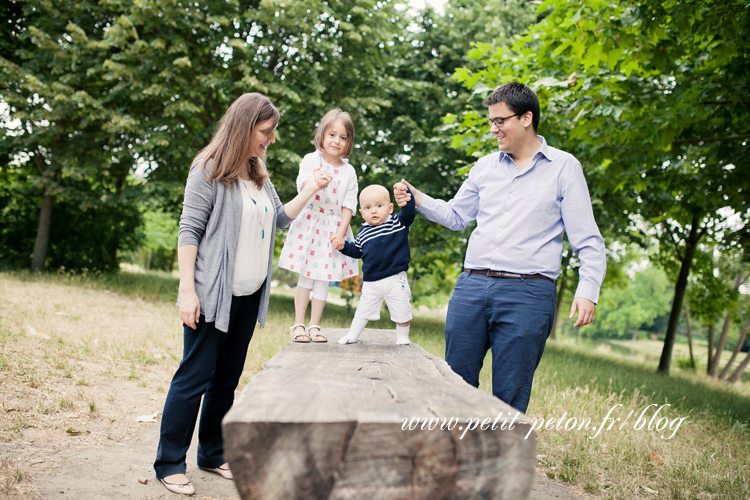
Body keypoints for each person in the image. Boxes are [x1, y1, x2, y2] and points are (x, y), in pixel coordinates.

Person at [154, 93, 332, 496]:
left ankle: (212, 453)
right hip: (213, 295)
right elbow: (189, 231)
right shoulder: (209, 170)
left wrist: (309, 190)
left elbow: (281, 218)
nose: (270, 140)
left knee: (227, 380)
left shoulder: (257, 171)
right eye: (265, 132)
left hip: (249, 295)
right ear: (244, 126)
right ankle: (168, 463)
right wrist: (187, 291)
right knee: (193, 378)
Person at [394, 82, 606, 413]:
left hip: (529, 294)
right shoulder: (484, 167)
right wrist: (417, 197)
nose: (494, 129)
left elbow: (588, 241)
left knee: (510, 392)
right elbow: (456, 216)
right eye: (491, 121)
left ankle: (499, 462)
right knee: (455, 383)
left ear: (526, 118)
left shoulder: (565, 168)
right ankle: (456, 457)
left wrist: (588, 289)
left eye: (500, 121)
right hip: (472, 287)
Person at [278, 109, 360, 343]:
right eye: (332, 134)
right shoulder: (311, 159)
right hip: (310, 224)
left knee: (324, 277)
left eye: (343, 137)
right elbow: (302, 184)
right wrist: (314, 182)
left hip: (333, 229)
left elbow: (348, 204)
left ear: (349, 142)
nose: (337, 141)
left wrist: (342, 234)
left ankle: (315, 325)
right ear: (322, 135)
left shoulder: (349, 171)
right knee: (306, 276)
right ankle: (299, 324)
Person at [332, 184, 416, 345]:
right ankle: (353, 335)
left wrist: (405, 193)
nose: (374, 211)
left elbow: (409, 212)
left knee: (401, 308)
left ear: (390, 208)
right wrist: (341, 246)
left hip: (395, 279)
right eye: (368, 207)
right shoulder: (363, 232)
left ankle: (403, 337)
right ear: (362, 213)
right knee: (363, 309)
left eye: (379, 206)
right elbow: (357, 251)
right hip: (371, 281)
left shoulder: (397, 222)